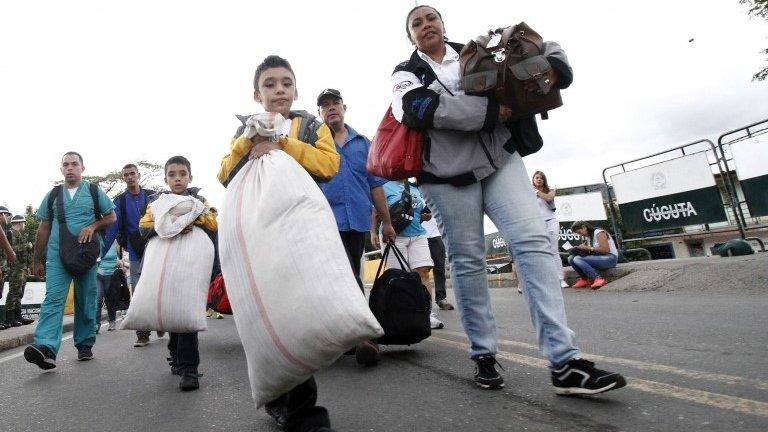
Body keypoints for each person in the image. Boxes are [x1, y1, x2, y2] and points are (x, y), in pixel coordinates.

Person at [391, 5, 626, 395]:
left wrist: (555, 68)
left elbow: (536, 44)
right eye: (416, 23)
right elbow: (417, 109)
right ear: (410, 36)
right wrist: (489, 111)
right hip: (446, 176)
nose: (426, 25)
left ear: (443, 25)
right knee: (467, 262)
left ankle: (564, 361)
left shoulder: (476, 50)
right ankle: (483, 354)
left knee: (534, 244)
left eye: (431, 18)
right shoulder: (405, 72)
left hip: (500, 160)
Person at [218, 55, 339, 432]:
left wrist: (281, 144)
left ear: (296, 90)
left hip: (300, 228)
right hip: (259, 229)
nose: (279, 90)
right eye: (270, 84)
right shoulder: (243, 130)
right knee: (272, 309)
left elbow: (328, 166)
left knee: (298, 309)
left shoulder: (310, 126)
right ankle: (286, 401)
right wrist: (248, 142)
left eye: (285, 83)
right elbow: (224, 174)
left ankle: (299, 405)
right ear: (257, 94)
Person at [316, 87, 396, 366]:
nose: (331, 108)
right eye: (325, 106)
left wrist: (387, 223)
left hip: (356, 221)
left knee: (352, 276)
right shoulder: (315, 145)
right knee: (338, 278)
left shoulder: (364, 143)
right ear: (320, 114)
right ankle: (356, 337)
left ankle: (356, 336)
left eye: (335, 103)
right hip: (324, 223)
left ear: (344, 107)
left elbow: (376, 187)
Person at [24, 151, 116, 370]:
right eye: (66, 165)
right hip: (57, 255)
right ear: (61, 169)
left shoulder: (94, 191)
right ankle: (46, 348)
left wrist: (92, 226)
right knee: (53, 299)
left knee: (86, 299)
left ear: (82, 168)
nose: (70, 168)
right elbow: (43, 227)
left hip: (86, 254)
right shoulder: (53, 195)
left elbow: (111, 216)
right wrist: (37, 259)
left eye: (74, 164)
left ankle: (85, 344)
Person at [140, 155, 218, 391]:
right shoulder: (156, 204)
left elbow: (213, 224)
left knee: (187, 312)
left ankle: (189, 370)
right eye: (172, 175)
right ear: (165, 179)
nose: (178, 179)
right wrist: (170, 223)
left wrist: (195, 218)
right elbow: (144, 229)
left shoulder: (200, 201)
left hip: (191, 264)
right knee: (173, 311)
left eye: (182, 174)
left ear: (190, 177)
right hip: (165, 265)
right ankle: (176, 355)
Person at [102, 163, 160, 347]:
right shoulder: (119, 201)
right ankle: (142, 333)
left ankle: (161, 321)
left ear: (138, 175)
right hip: (135, 252)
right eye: (126, 175)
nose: (129, 177)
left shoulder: (153, 196)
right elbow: (112, 229)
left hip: (157, 247)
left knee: (160, 288)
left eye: (132, 174)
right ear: (123, 178)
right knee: (138, 292)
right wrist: (100, 254)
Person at [373, 180, 443, 329]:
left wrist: (425, 216)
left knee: (423, 272)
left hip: (418, 234)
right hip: (394, 236)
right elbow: (374, 211)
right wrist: (373, 232)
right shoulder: (383, 185)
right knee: (399, 277)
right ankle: (402, 316)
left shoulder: (415, 188)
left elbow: (420, 212)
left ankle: (425, 315)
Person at [532, 171, 568, 289]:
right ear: (533, 179)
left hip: (551, 221)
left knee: (553, 250)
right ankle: (546, 280)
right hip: (537, 224)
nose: (539, 179)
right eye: (536, 178)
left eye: (541, 178)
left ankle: (561, 279)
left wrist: (536, 191)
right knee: (540, 251)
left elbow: (549, 198)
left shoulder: (550, 188)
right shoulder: (528, 192)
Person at [567, 221, 618, 289]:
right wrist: (579, 250)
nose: (580, 235)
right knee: (571, 258)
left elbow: (605, 250)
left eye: (579, 232)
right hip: (599, 258)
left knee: (577, 259)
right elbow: (593, 251)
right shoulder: (588, 237)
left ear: (584, 227)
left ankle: (598, 278)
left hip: (610, 258)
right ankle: (584, 279)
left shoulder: (599, 232)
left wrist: (588, 248)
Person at [4, 214, 34, 328]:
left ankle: (17, 316)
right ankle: (9, 318)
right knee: (14, 292)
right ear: (20, 223)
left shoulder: (20, 234)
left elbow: (25, 254)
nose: (24, 225)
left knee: (19, 292)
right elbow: (10, 249)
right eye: (24, 223)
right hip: (14, 268)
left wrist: (28, 266)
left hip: (22, 267)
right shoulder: (10, 233)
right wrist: (26, 245)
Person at [421, 208, 454, 310]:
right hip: (419, 236)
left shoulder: (434, 193)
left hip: (436, 235)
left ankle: (441, 299)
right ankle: (421, 299)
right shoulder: (413, 192)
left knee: (439, 269)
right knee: (421, 270)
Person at [94, 241, 122, 332]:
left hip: (112, 275)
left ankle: (112, 321)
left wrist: (119, 262)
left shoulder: (115, 242)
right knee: (98, 298)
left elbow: (119, 257)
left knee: (110, 299)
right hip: (99, 274)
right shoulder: (98, 240)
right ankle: (96, 324)